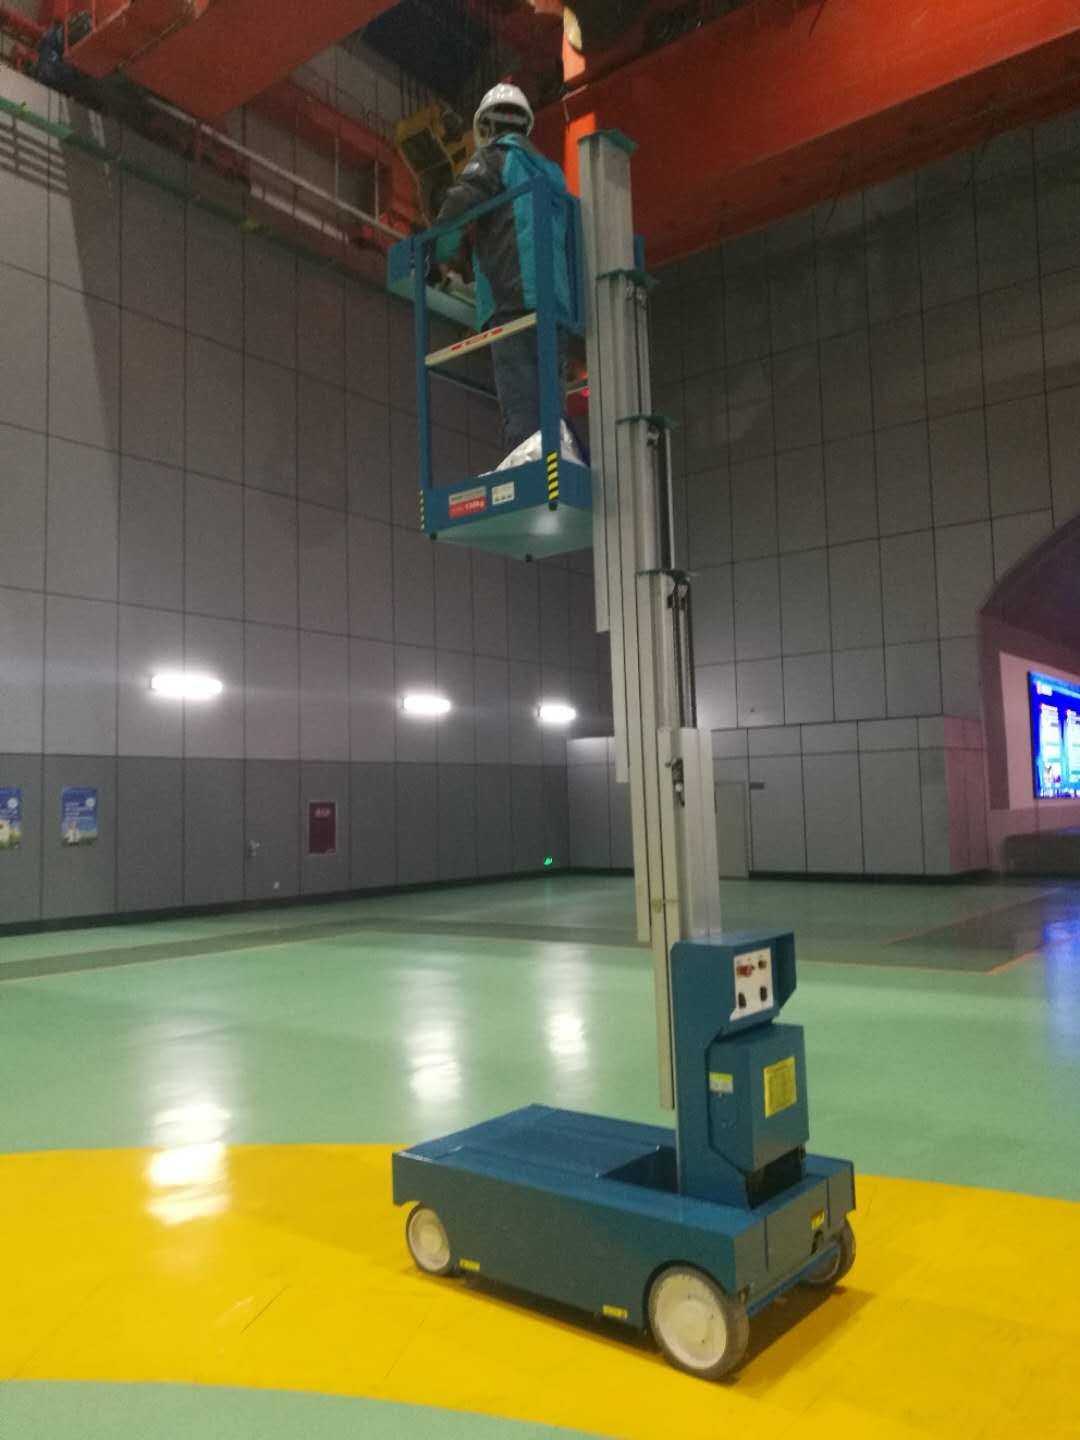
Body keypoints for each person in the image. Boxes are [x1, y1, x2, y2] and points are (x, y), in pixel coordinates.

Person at [432, 83, 573, 457]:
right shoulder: (553, 174)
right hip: (554, 308)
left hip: (511, 303)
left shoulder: (496, 158)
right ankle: (555, 466)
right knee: (551, 407)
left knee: (520, 404)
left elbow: (459, 204)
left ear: (486, 127)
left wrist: (434, 253)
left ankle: (527, 473)